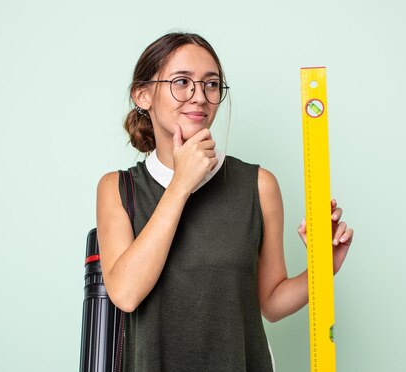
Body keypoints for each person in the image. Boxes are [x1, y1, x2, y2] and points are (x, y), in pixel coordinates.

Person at [96, 32, 354, 372]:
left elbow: (271, 303)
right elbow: (126, 294)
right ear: (143, 95)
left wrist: (324, 268)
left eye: (211, 84)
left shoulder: (258, 185)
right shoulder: (118, 188)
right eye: (182, 82)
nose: (199, 96)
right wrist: (181, 184)